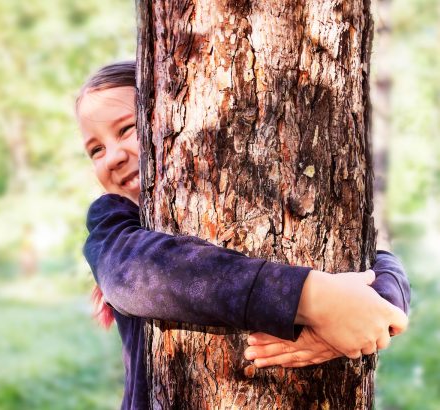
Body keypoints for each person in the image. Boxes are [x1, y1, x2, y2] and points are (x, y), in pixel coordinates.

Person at [76, 61, 411, 410]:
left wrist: (372, 307)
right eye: (96, 149)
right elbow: (135, 275)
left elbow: (381, 259)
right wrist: (314, 299)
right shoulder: (112, 223)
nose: (112, 157)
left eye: (127, 129)